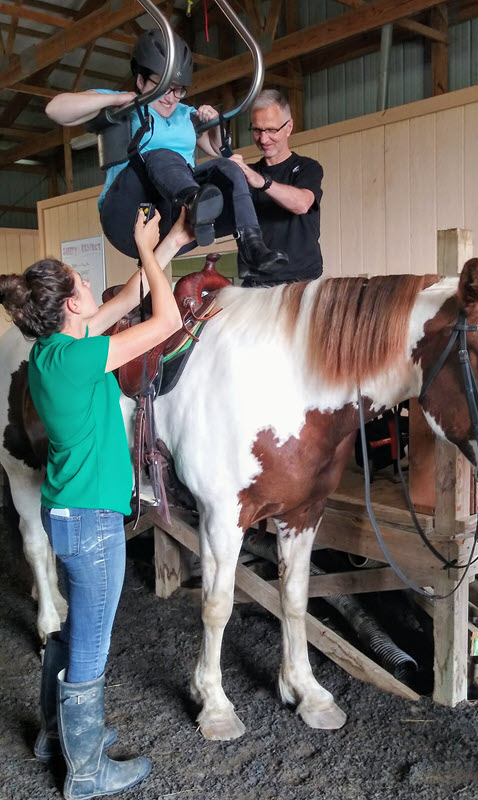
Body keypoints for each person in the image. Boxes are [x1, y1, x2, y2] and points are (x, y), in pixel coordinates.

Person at [0, 208, 187, 800]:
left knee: (73, 631)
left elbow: (126, 299)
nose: (89, 286)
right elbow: (166, 317)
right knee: (90, 645)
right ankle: (85, 773)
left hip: (67, 513)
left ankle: (57, 738)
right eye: (82, 283)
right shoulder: (81, 356)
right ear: (72, 305)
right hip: (91, 520)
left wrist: (166, 244)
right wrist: (149, 254)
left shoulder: (54, 350)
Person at [45, 29, 287, 276]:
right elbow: (56, 110)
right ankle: (195, 201)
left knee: (230, 168)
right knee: (161, 153)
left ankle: (252, 247)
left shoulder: (185, 114)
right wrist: (117, 101)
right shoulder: (125, 102)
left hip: (171, 214)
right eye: (162, 87)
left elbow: (218, 151)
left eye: (178, 89)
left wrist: (214, 124)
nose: (171, 98)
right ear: (141, 81)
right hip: (128, 213)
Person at [230, 89, 324, 287]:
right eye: (257, 130)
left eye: (271, 130)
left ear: (289, 127)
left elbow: (302, 204)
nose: (263, 140)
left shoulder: (308, 168)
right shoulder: (246, 175)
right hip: (255, 284)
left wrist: (262, 182)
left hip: (301, 284)